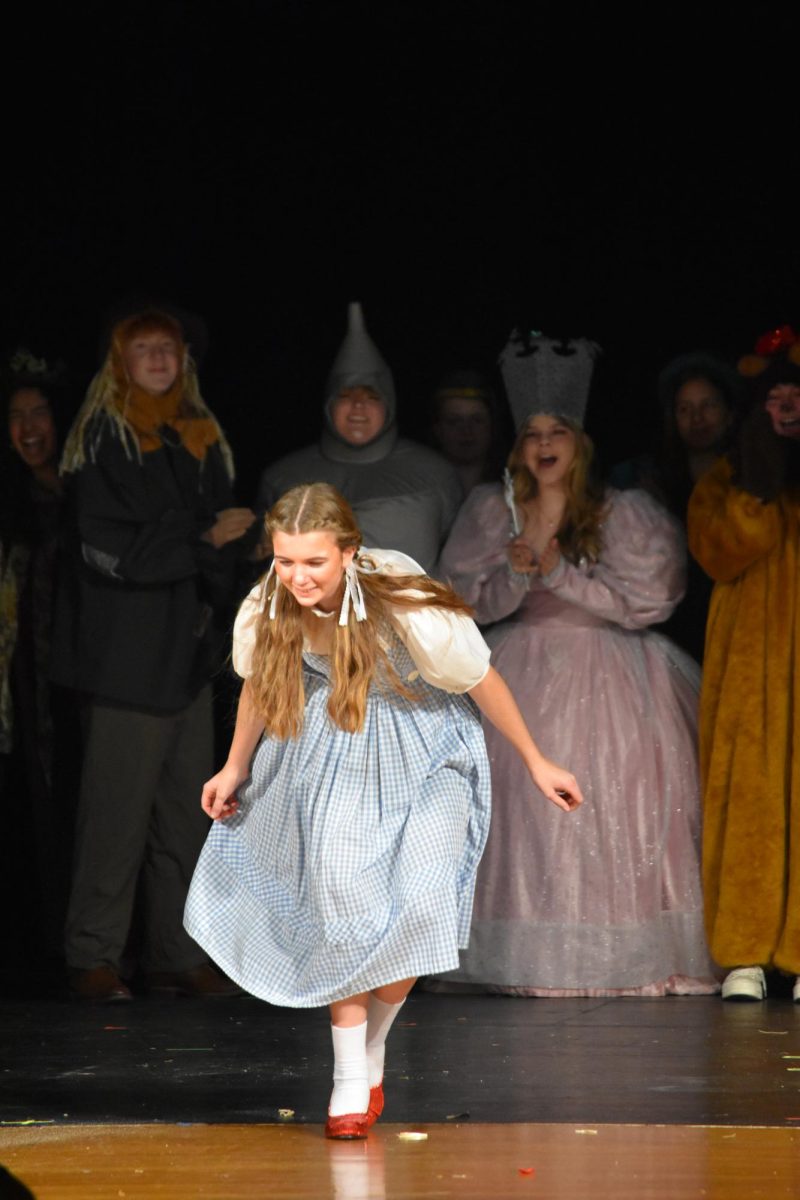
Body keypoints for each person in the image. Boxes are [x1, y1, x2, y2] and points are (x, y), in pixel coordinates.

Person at [184, 482, 582, 1138]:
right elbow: (262, 681)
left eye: (314, 561)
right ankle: (348, 1079)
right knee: (345, 907)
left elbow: (479, 675)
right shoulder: (271, 604)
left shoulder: (400, 594)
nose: (298, 576)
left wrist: (536, 759)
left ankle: (371, 1050)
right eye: (285, 561)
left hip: (427, 748)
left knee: (422, 906)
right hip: (336, 749)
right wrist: (235, 764)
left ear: (347, 552)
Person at [431, 329, 718, 996]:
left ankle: (627, 952)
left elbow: (645, 602)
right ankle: (523, 955)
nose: (543, 444)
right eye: (531, 433)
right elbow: (465, 601)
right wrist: (516, 574)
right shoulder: (492, 510)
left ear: (578, 441)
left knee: (625, 797)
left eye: (556, 430)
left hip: (613, 664)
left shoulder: (621, 511)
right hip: (523, 660)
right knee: (519, 812)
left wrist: (558, 572)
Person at [51, 308, 258, 1002]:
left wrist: (236, 546)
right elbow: (112, 550)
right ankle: (94, 956)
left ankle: (178, 952)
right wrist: (206, 534)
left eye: (168, 348)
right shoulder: (106, 442)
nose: (159, 359)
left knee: (183, 816)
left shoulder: (198, 438)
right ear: (120, 364)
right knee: (115, 818)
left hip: (185, 656)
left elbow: (206, 553)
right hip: (126, 661)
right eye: (143, 350)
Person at [688, 326, 800, 1003]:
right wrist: (761, 476)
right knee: (750, 800)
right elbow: (723, 550)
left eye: (797, 396)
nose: (787, 407)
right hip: (750, 677)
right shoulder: (727, 481)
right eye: (776, 398)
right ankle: (746, 954)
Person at [257, 302, 462, 574]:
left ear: (389, 404)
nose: (358, 407)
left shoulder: (437, 475)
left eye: (371, 397)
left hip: (410, 614)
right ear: (328, 403)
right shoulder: (282, 479)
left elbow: (460, 560)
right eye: (346, 396)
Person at [1, 349, 79, 976]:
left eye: (39, 412)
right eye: (16, 415)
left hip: (84, 672)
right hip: (23, 681)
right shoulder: (10, 501)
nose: (28, 428)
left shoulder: (89, 491)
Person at [611, 352, 743, 661]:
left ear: (729, 413)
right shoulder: (650, 475)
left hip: (733, 618)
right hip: (675, 627)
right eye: (685, 409)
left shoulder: (747, 477)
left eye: (708, 405)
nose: (697, 418)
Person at [429, 369, 510, 495]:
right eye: (454, 421)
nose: (466, 431)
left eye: (477, 420)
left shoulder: (515, 491)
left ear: (492, 426)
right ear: (438, 429)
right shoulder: (422, 490)